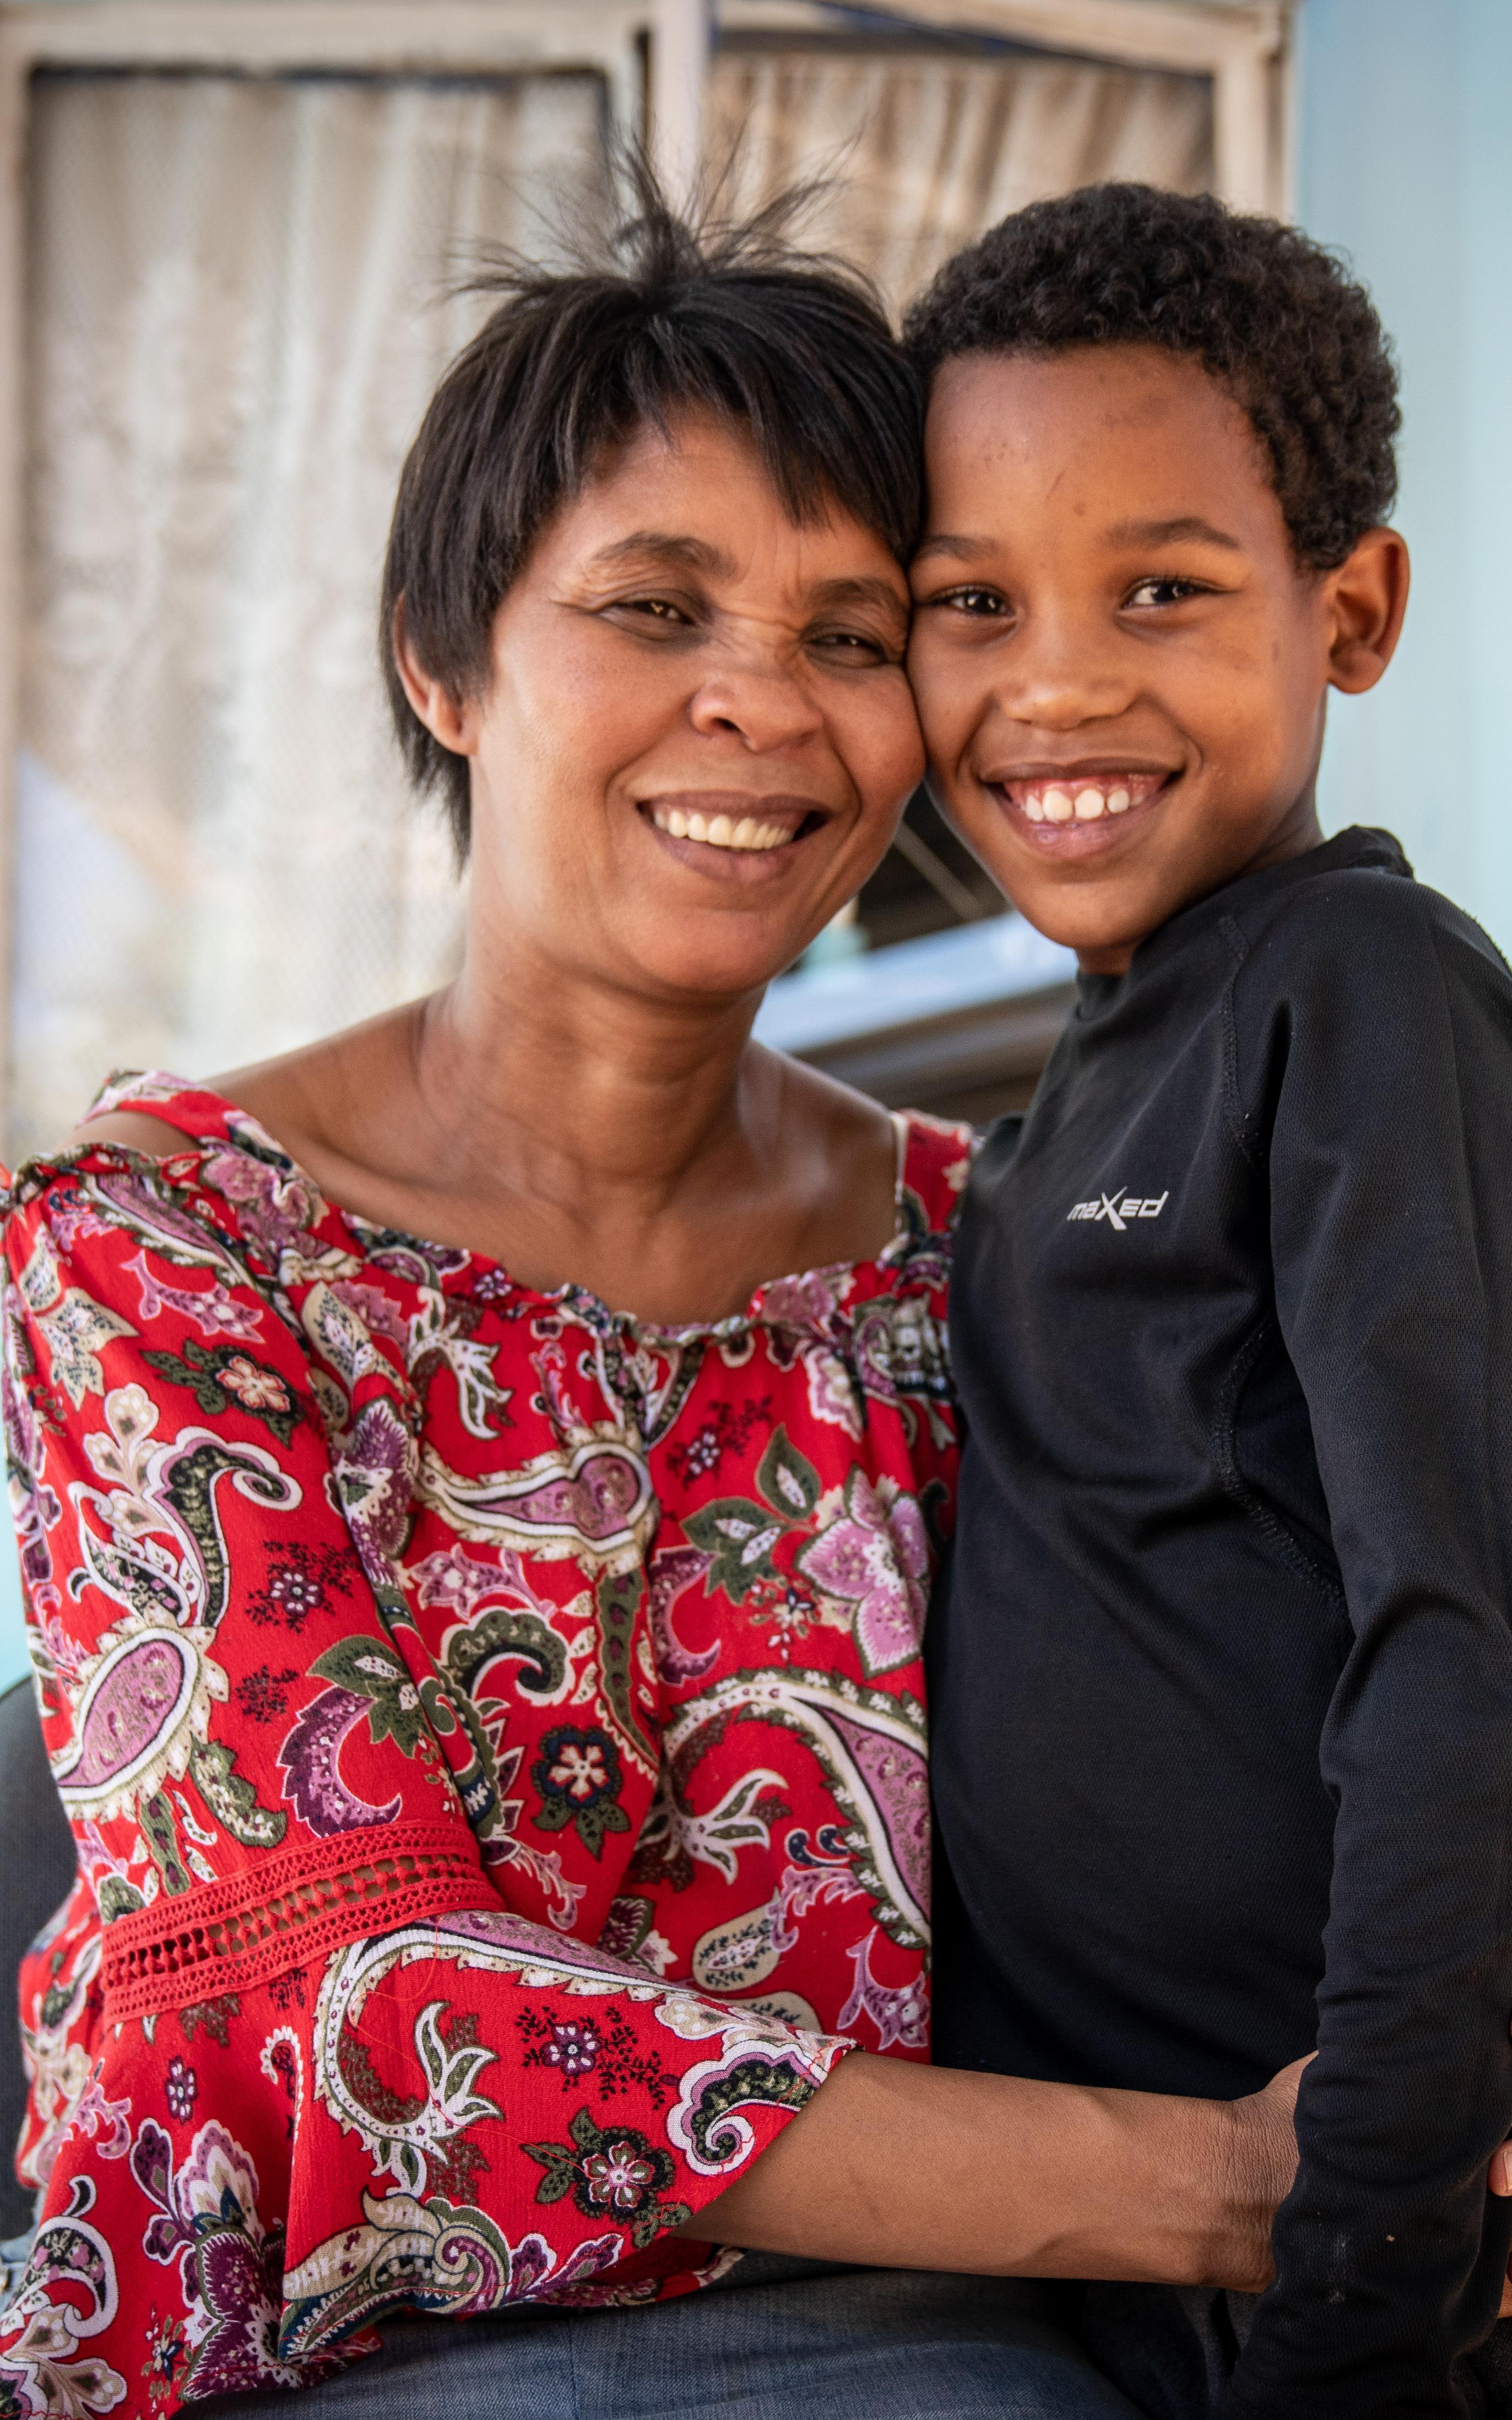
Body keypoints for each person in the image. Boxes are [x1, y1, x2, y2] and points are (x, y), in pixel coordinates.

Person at [0, 189, 1300, 2420]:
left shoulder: (975, 1255)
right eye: (656, 607)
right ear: (446, 661)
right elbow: (378, 2015)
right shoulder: (165, 1252)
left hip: (933, 2347)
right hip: (319, 2359)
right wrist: (1244, 2191)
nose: (759, 708)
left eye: (854, 631)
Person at [907, 181, 1512, 2417]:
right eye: (971, 603)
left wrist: (1372, 2261)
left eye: (1162, 587)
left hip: (1331, 2279)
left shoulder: (1360, 995)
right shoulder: (1066, 1087)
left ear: (1349, 611)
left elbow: (1462, 1641)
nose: (1057, 681)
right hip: (1100, 2255)